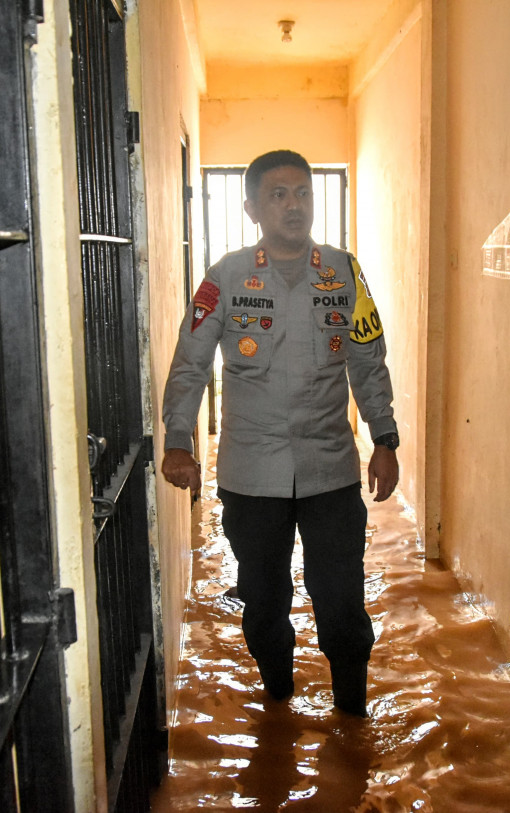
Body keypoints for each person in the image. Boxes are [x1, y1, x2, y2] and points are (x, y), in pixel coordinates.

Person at [161, 149, 399, 718]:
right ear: (251, 208)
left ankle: (350, 712)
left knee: (341, 599)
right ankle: (278, 698)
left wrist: (384, 438)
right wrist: (177, 441)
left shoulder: (344, 272)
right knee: (264, 601)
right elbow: (191, 362)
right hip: (252, 471)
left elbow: (367, 359)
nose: (294, 206)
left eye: (303, 194)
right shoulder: (225, 276)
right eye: (278, 195)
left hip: (330, 469)